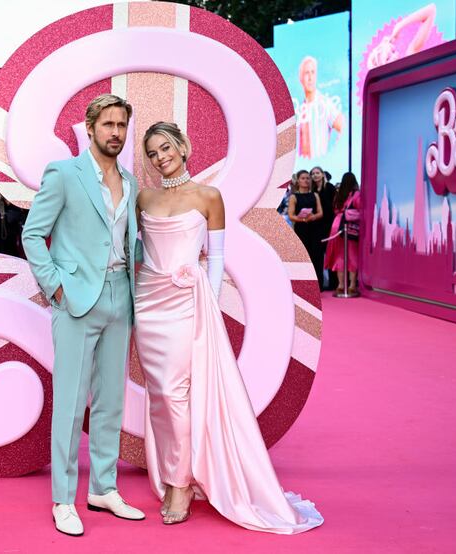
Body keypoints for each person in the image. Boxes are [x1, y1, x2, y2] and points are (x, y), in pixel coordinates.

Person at [135, 122, 323, 532]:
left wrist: (208, 304)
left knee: (177, 392)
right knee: (160, 397)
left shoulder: (208, 197)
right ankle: (173, 473)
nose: (160, 157)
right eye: (152, 152)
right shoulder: (144, 198)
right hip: (148, 304)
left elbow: (216, 259)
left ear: (183, 146)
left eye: (165, 147)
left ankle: (181, 484)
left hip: (187, 302)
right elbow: (144, 252)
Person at [21, 94, 144, 536]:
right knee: (71, 405)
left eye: (121, 126)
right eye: (108, 124)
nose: (115, 132)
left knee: (111, 400)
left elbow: (131, 241)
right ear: (90, 128)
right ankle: (62, 499)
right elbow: (33, 234)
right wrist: (54, 285)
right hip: (75, 298)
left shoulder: (129, 181)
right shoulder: (64, 174)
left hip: (120, 297)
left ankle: (104, 488)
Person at [297, 57, 344, 159]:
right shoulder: (300, 108)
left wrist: (332, 153)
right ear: (301, 78)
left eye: (312, 72)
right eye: (306, 73)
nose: (310, 77)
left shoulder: (324, 103)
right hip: (302, 166)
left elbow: (343, 126)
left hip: (320, 163)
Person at [324, 172, 361, 295]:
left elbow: (334, 209)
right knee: (352, 256)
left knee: (339, 256)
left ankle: (340, 285)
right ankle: (352, 285)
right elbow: (360, 208)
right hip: (349, 226)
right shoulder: (356, 194)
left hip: (336, 225)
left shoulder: (339, 194)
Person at [288, 169, 324, 288]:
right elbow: (291, 215)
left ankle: (318, 285)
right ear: (298, 181)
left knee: (316, 256)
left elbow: (320, 212)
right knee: (303, 256)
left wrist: (313, 217)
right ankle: (302, 285)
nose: (306, 180)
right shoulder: (294, 196)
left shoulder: (315, 195)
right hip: (301, 229)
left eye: (308, 178)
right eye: (303, 178)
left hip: (315, 228)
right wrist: (302, 219)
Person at [311, 166, 337, 291]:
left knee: (331, 254)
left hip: (330, 225)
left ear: (322, 174)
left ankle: (334, 283)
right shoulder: (312, 190)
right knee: (317, 256)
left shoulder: (330, 188)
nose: (315, 175)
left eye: (317, 173)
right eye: (313, 173)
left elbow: (335, 206)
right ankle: (319, 284)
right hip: (316, 226)